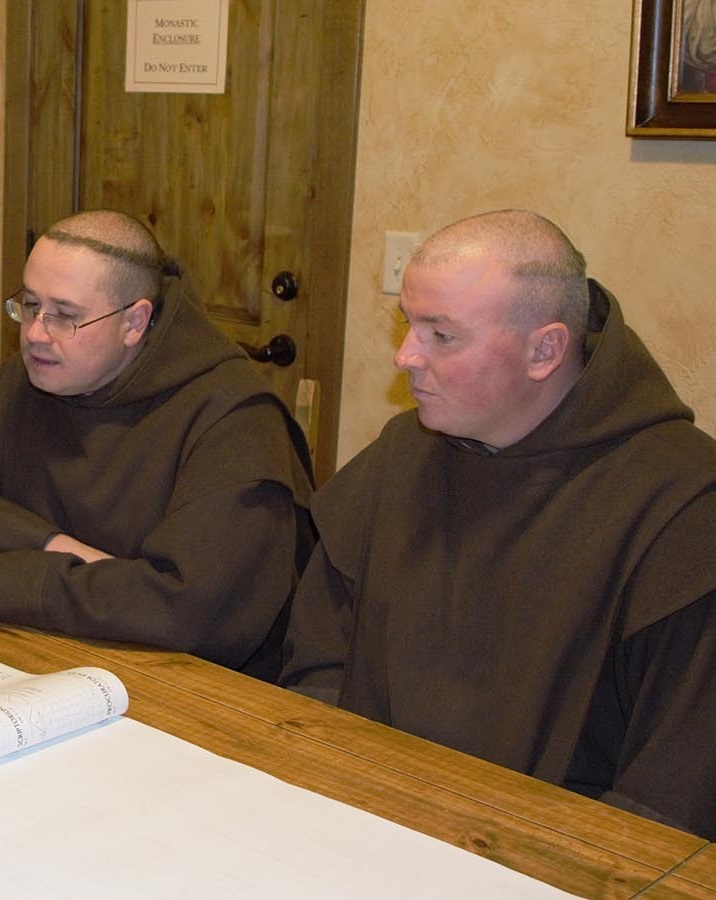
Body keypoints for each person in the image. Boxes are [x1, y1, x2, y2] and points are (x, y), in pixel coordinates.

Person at [280, 209, 716, 839]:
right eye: (408, 325)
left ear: (545, 349)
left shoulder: (685, 507)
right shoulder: (406, 452)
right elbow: (318, 653)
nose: (405, 357)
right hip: (355, 812)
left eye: (442, 335)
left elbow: (673, 795)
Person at [0, 210, 313, 678]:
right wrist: (52, 545)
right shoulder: (20, 383)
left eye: (65, 316)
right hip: (36, 654)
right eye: (30, 305)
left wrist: (9, 580)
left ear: (135, 322)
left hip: (192, 690)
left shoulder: (235, 418)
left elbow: (191, 614)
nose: (35, 333)